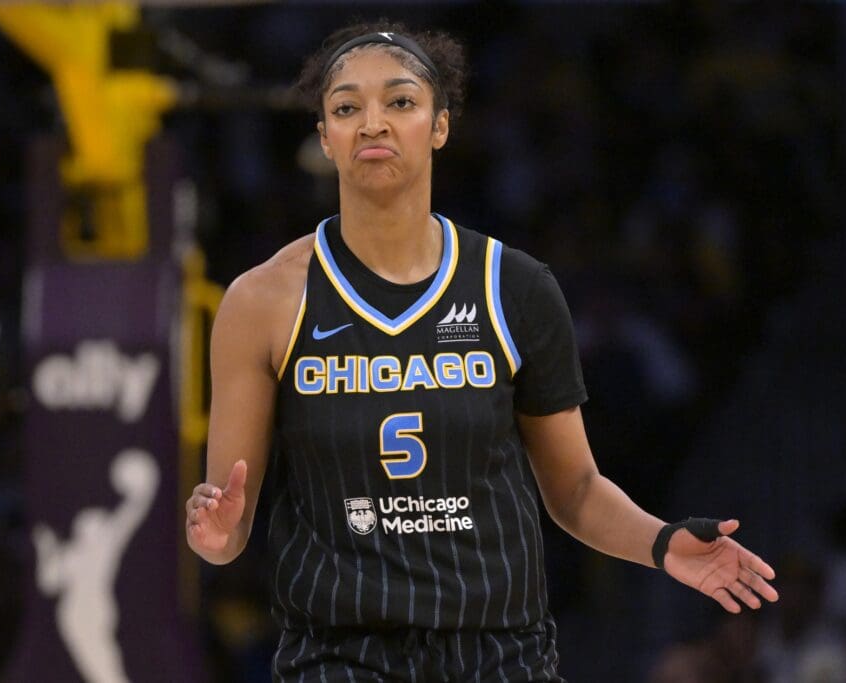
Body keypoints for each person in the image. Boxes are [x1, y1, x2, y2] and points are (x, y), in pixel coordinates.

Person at [185, 22, 778, 681]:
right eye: (347, 107)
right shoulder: (260, 300)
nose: (373, 123)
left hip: (498, 654)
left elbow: (576, 490)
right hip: (339, 655)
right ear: (325, 136)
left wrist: (663, 542)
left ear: (440, 124)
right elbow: (227, 519)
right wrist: (218, 535)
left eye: (401, 102)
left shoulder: (514, 288)